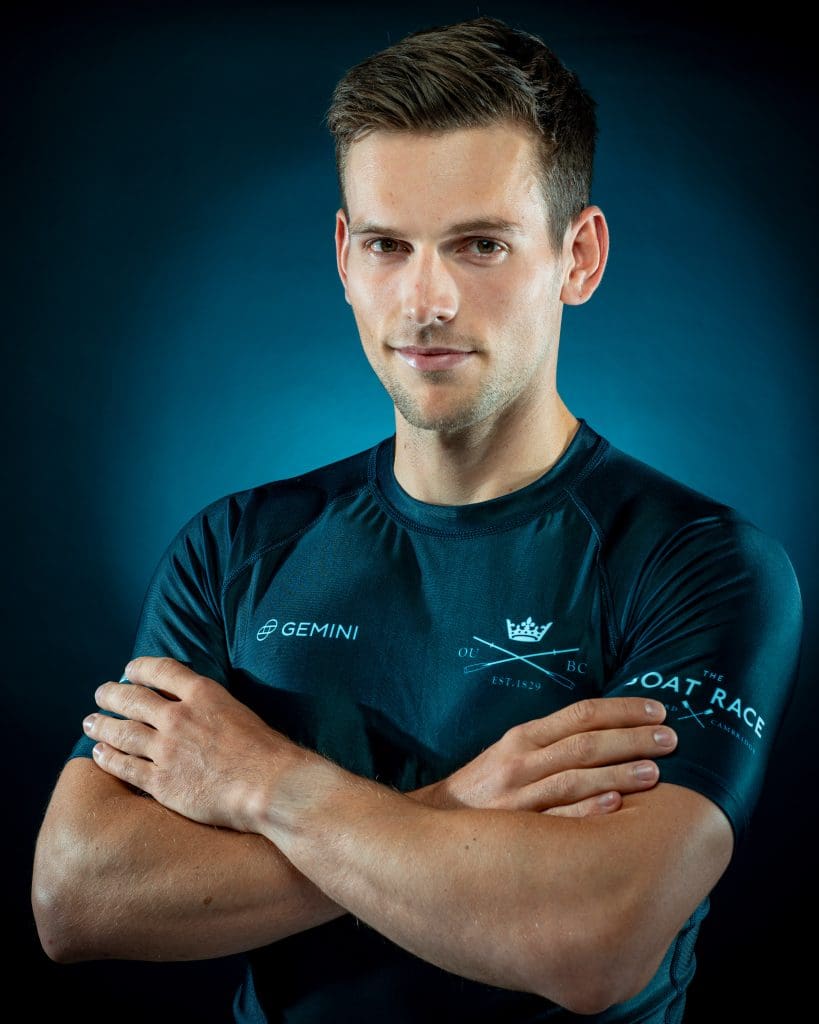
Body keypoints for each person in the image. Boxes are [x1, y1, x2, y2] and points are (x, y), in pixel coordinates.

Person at [32, 14, 803, 1023]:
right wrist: (452, 806)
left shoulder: (700, 565)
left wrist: (266, 785)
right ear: (344, 256)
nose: (425, 299)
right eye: (389, 245)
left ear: (578, 256)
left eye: (480, 244)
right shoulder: (237, 547)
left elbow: (590, 940)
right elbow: (77, 895)